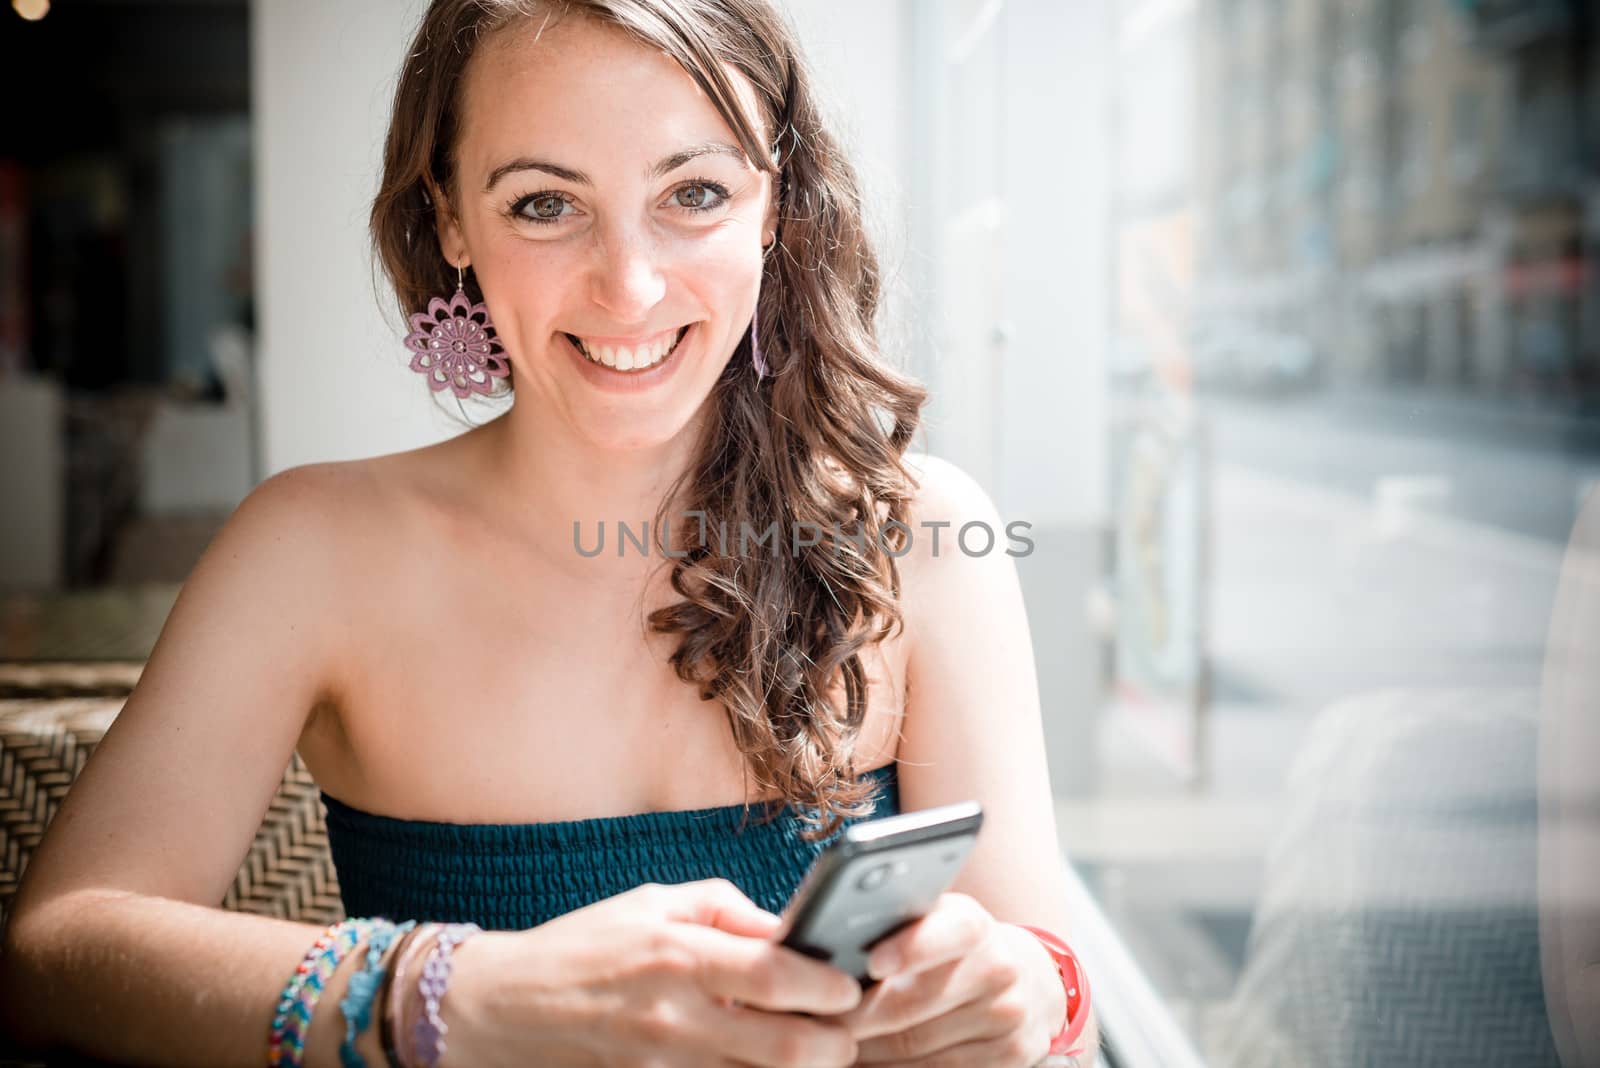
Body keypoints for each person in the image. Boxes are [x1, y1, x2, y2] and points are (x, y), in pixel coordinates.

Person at [0, 1, 1098, 1064]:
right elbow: (50, 958)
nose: (627, 285)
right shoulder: (315, 549)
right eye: (543, 204)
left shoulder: (920, 534)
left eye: (695, 192)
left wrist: (1026, 996)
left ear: (773, 208)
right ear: (449, 219)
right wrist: (464, 995)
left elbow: (1061, 1004)